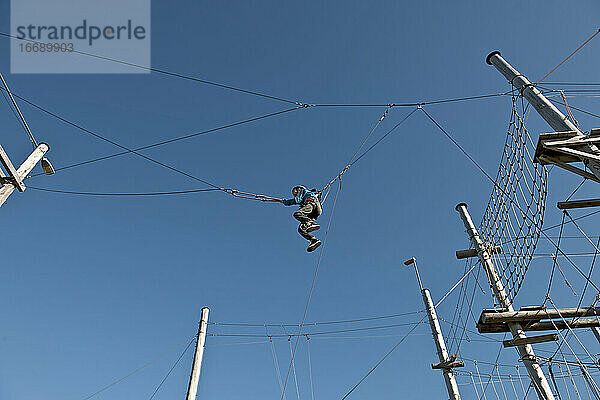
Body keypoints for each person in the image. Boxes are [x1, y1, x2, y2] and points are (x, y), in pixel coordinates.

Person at [282, 185, 322, 252]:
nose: (294, 194)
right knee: (301, 229)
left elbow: (297, 200)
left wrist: (284, 201)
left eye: (294, 192)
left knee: (297, 214)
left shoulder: (301, 190)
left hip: (312, 205)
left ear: (297, 189)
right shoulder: (308, 195)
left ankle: (311, 223)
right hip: (315, 211)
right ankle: (313, 240)